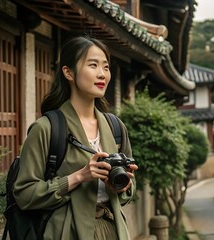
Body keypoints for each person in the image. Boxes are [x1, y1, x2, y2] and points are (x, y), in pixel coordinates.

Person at [13, 35, 138, 240]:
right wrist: (79, 176)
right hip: (66, 232)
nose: (102, 74)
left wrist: (121, 185)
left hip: (113, 231)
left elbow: (128, 192)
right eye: (93, 65)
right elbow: (25, 194)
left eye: (106, 67)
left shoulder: (115, 127)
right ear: (68, 72)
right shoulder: (45, 129)